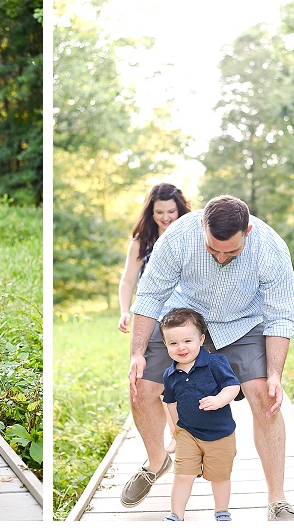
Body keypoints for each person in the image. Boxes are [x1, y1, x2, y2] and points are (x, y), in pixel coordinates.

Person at [122, 194, 294, 521]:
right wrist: (137, 353)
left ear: (247, 230)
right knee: (140, 387)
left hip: (242, 323)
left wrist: (275, 373)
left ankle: (278, 499)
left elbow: (280, 317)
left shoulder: (271, 249)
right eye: (212, 249)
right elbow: (148, 297)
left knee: (266, 397)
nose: (220, 257)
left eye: (231, 251)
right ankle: (157, 459)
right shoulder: (177, 237)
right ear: (202, 225)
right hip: (183, 316)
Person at [118, 182, 191, 453]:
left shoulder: (190, 237)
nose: (166, 217)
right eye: (159, 212)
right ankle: (173, 436)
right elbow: (127, 281)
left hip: (186, 317)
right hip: (153, 318)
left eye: (171, 211)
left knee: (182, 378)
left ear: (180, 210)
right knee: (156, 380)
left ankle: (181, 435)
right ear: (151, 212)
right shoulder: (141, 242)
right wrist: (125, 311)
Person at [158, 308, 239, 522]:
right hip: (188, 433)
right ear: (165, 344)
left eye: (187, 341)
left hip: (220, 433)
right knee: (183, 474)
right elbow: (171, 402)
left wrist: (219, 400)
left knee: (219, 476)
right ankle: (176, 515)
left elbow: (233, 386)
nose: (181, 348)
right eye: (173, 343)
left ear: (201, 339)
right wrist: (176, 432)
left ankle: (221, 511)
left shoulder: (215, 362)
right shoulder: (170, 374)